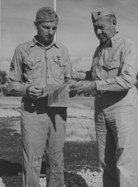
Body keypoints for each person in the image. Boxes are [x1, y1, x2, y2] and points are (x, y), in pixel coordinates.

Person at [70, 7, 138, 187]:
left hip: (123, 108)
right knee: (105, 161)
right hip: (101, 109)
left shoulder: (127, 45)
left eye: (101, 27)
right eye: (95, 28)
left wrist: (93, 85)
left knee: (126, 162)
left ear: (114, 23)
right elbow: (96, 76)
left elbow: (127, 80)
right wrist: (75, 76)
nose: (98, 32)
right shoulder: (98, 50)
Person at [7, 6, 73, 187]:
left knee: (56, 157)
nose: (51, 32)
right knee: (32, 158)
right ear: (36, 25)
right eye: (46, 27)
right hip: (33, 111)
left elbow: (69, 80)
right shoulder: (22, 50)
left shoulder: (63, 50)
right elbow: (11, 84)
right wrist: (27, 90)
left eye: (54, 28)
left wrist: (73, 87)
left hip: (58, 111)